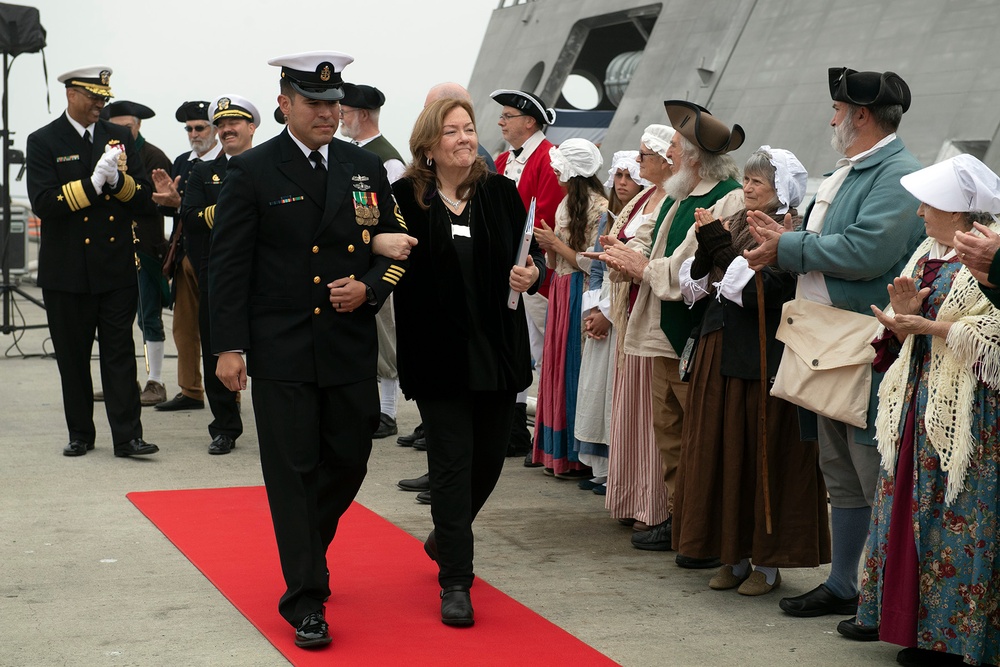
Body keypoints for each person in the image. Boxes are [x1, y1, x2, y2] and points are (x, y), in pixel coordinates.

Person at [209, 52, 409, 649]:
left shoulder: (362, 166)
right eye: (315, 103)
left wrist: (369, 287)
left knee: (349, 460)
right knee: (292, 473)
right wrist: (229, 347)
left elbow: (390, 247)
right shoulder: (252, 170)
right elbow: (228, 267)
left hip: (348, 343)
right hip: (283, 346)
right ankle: (305, 598)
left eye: (333, 103)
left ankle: (305, 546)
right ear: (284, 103)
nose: (328, 112)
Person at [744, 67, 925, 620]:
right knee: (841, 471)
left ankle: (883, 596)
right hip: (829, 342)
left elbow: (865, 251)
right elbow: (833, 241)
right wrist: (788, 241)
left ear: (861, 116)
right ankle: (846, 582)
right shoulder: (853, 170)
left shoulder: (897, 174)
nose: (831, 119)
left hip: (864, 345)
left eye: (838, 110)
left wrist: (788, 247)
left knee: (872, 469)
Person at [392, 97, 544, 627]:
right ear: (429, 145)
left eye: (469, 129)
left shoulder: (501, 194)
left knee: (487, 462)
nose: (464, 138)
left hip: (497, 352)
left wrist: (534, 276)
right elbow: (375, 254)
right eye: (451, 131)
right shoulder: (404, 199)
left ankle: (444, 534)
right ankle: (456, 580)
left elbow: (532, 256)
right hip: (438, 357)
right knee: (452, 468)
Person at [856, 154, 1000, 667]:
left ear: (961, 212)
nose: (920, 212)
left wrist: (930, 327)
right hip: (923, 398)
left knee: (955, 516)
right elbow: (912, 325)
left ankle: (953, 640)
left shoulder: (984, 259)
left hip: (971, 413)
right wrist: (905, 319)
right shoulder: (928, 252)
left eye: (929, 203)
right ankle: (911, 627)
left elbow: (993, 336)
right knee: (913, 510)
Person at [672, 146, 831, 597]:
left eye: (756, 183)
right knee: (723, 453)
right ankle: (732, 555)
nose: (746, 189)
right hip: (720, 354)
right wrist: (708, 248)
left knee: (761, 454)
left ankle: (767, 564)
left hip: (762, 363)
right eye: (745, 181)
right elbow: (702, 287)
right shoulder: (737, 222)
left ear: (780, 189)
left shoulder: (791, 231)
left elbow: (772, 291)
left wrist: (718, 248)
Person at [602, 102, 745, 557]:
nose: (670, 152)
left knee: (696, 434)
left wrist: (642, 267)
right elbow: (655, 240)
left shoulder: (727, 197)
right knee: (669, 429)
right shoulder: (684, 191)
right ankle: (677, 517)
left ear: (695, 157)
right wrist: (624, 256)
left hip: (692, 331)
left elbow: (688, 264)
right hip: (663, 331)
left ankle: (700, 529)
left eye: (677, 147)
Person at [26, 65, 159, 458]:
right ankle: (81, 433)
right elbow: (45, 203)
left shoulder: (117, 137)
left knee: (119, 354)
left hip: (114, 266)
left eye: (103, 98)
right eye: (93, 97)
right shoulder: (44, 141)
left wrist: (118, 184)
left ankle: (128, 436)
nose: (100, 105)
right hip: (65, 270)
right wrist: (92, 185)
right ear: (71, 95)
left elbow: (143, 198)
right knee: (73, 355)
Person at [601, 126, 676, 536]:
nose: (639, 161)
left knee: (652, 414)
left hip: (650, 314)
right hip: (630, 309)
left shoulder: (672, 197)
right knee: (633, 410)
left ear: (666, 159)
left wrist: (624, 255)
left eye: (646, 155)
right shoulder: (648, 196)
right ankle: (632, 497)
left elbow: (651, 255)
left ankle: (655, 505)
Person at [179, 94, 259, 455]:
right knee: (217, 352)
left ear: (251, 127)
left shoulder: (270, 166)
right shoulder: (203, 172)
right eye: (221, 125)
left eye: (235, 123)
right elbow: (191, 218)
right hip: (219, 275)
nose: (227, 130)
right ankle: (225, 427)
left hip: (266, 274)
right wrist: (230, 209)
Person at [492, 88, 563, 460]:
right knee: (519, 344)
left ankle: (539, 430)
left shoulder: (549, 159)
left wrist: (533, 267)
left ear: (529, 121)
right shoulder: (505, 159)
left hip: (538, 268)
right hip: (513, 266)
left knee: (541, 347)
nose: (501, 121)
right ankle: (516, 426)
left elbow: (548, 219)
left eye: (507, 115)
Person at [530, 138, 607, 477]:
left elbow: (593, 264)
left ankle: (577, 455)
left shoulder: (599, 208)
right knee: (558, 365)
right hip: (562, 289)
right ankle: (557, 452)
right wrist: (549, 245)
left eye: (560, 167)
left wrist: (553, 244)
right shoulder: (566, 205)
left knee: (575, 366)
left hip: (579, 290)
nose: (556, 172)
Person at [574, 150, 648, 495]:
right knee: (596, 387)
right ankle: (600, 466)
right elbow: (598, 266)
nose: (621, 184)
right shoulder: (609, 217)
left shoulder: (643, 215)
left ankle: (617, 467)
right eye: (617, 176)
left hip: (622, 309)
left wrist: (606, 313)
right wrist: (593, 312)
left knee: (615, 391)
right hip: (603, 305)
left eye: (628, 177)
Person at [338, 82, 405, 439]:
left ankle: (389, 411)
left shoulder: (386, 158)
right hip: (355, 259)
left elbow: (390, 216)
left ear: (362, 115)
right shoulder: (350, 152)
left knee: (385, 335)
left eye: (344, 113)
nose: (339, 119)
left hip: (378, 261)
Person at [152, 101, 223, 412]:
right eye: (189, 129)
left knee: (217, 328)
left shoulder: (226, 161)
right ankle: (191, 390)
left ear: (215, 131)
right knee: (183, 329)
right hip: (185, 254)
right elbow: (175, 209)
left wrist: (181, 203)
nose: (194, 134)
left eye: (200, 128)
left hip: (216, 254)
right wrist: (168, 201)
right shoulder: (182, 161)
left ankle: (226, 393)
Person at [101, 100, 171, 407]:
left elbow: (164, 203)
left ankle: (154, 380)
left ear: (137, 126)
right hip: (111, 249)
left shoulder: (154, 156)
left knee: (148, 317)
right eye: (115, 127)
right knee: (112, 319)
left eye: (126, 127)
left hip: (143, 247)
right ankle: (120, 382)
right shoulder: (103, 154)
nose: (121, 132)